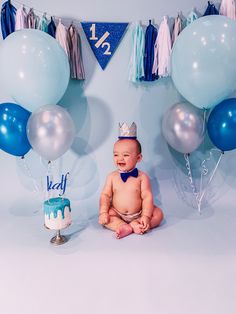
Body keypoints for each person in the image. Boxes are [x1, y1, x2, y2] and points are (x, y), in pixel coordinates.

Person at [99, 122, 164, 239]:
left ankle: (140, 223)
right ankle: (123, 226)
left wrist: (146, 216)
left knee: (158, 214)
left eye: (126, 155)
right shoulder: (112, 177)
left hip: (139, 212)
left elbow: (147, 197)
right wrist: (103, 212)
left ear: (138, 158)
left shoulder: (142, 177)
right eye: (116, 155)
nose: (120, 158)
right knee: (107, 217)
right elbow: (105, 195)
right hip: (117, 212)